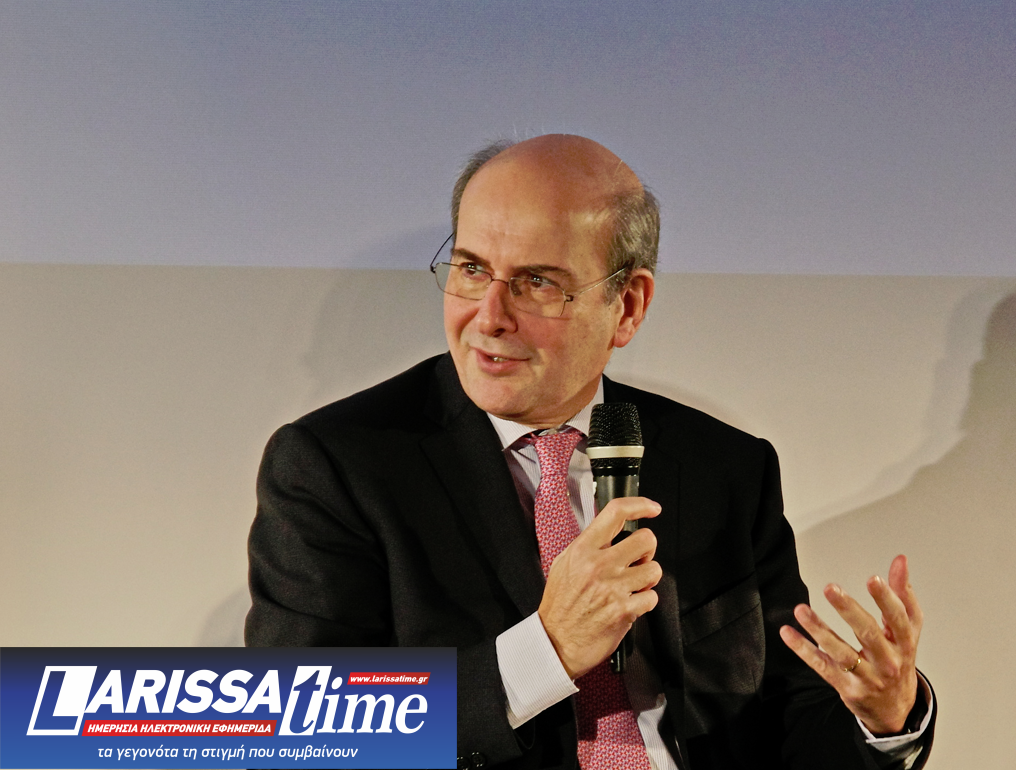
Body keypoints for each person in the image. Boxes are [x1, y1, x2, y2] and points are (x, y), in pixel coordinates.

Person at [246, 135, 935, 769]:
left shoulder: (725, 467)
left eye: (538, 282)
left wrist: (884, 718)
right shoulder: (336, 466)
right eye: (472, 269)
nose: (489, 316)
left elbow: (782, 723)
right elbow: (303, 733)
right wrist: (545, 650)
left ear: (628, 306)